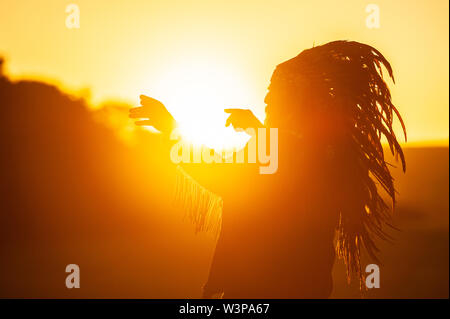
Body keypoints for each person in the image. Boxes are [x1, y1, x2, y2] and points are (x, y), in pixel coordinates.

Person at [129, 40, 406, 298]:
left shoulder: (285, 148)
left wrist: (171, 129)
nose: (265, 100)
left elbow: (226, 178)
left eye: (274, 92)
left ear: (297, 98)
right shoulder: (323, 151)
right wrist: (259, 132)